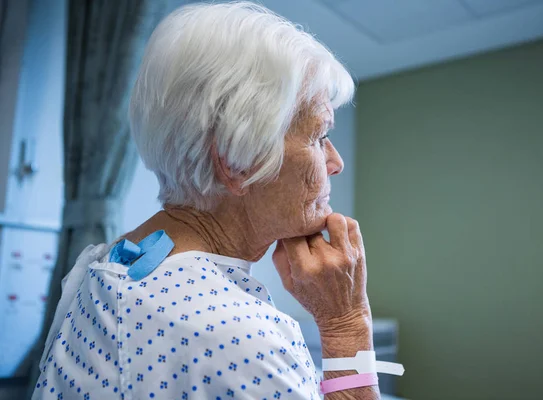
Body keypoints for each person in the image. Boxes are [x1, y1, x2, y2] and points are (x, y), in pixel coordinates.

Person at [33, 2, 382, 399]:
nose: (336, 163)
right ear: (238, 161)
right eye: (319, 137)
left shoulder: (104, 266)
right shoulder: (241, 337)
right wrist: (346, 324)